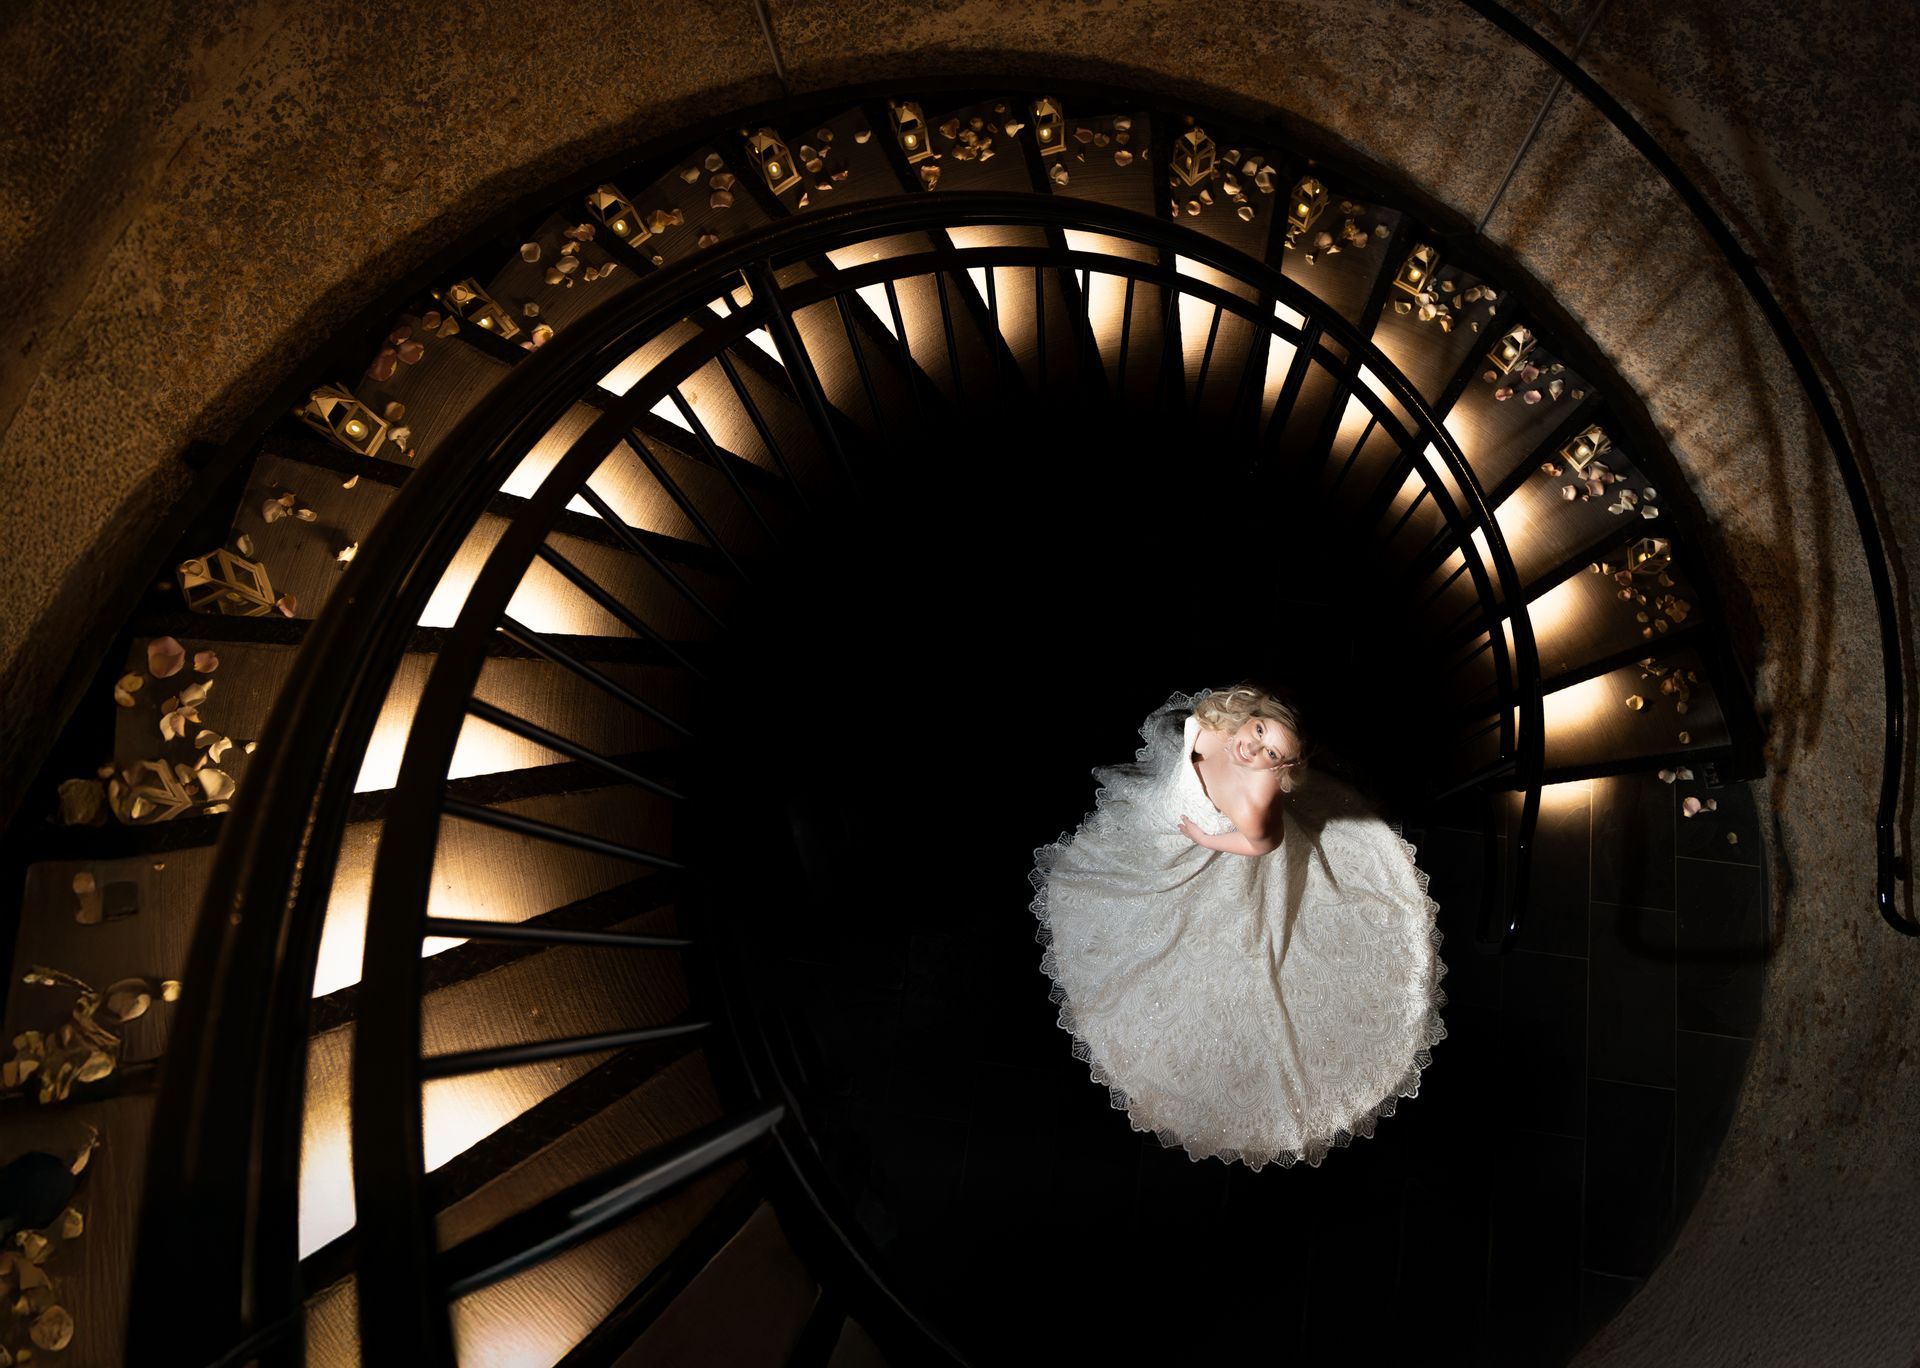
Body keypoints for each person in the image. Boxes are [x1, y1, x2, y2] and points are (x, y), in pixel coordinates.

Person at [1028, 684, 1448, 1170]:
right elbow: (1204, 732)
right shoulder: (1221, 722)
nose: (1254, 747)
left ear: (1278, 768)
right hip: (1169, 821)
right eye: (1260, 730)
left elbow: (1262, 845)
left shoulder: (1255, 800)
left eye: (1271, 754)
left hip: (1214, 851)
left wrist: (1207, 837)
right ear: (1252, 717)